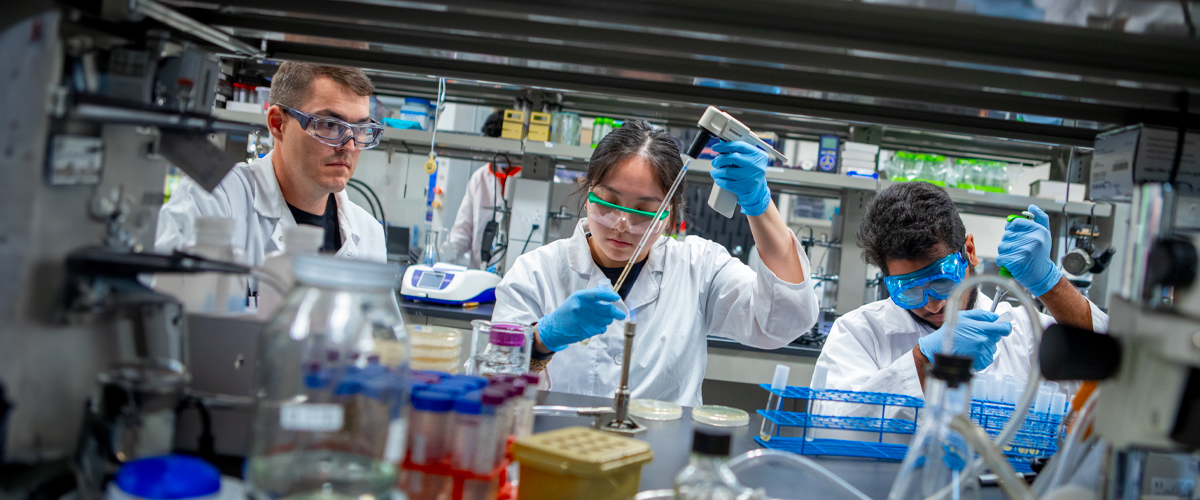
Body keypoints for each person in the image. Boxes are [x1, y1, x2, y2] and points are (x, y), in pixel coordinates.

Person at [492, 120, 819, 407]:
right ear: (587, 190)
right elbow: (486, 382)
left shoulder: (699, 267)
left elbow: (783, 322)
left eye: (643, 210)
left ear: (671, 217)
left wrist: (759, 204)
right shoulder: (537, 272)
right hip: (558, 454)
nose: (621, 223)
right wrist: (539, 340)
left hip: (660, 461)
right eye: (607, 203)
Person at [811, 181, 1109, 425]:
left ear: (969, 251)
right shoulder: (859, 333)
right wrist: (923, 360)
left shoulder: (1023, 331)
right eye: (909, 290)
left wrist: (1049, 283)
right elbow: (829, 426)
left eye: (942, 281)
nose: (933, 304)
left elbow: (1111, 362)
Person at [156, 62, 387, 269]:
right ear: (277, 124)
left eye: (360, 129)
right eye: (328, 124)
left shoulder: (368, 235)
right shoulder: (212, 201)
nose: (348, 145)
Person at [441, 111, 521, 269]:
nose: (501, 155)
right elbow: (462, 232)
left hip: (517, 273)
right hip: (480, 275)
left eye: (505, 149)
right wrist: (444, 255)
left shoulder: (527, 178)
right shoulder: (479, 178)